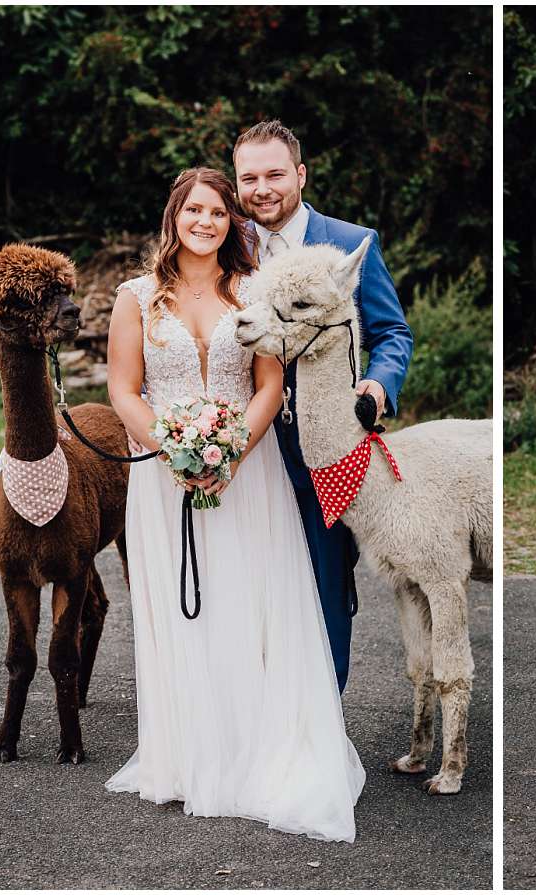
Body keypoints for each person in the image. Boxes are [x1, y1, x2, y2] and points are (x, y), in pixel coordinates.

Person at [104, 167, 365, 840]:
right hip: (162, 479)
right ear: (175, 216)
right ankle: (191, 754)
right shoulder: (135, 298)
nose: (205, 222)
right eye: (194, 210)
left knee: (251, 603)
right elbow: (124, 390)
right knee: (185, 612)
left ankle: (258, 748)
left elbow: (269, 384)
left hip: (247, 475)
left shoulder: (252, 291)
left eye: (218, 213)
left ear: (231, 224)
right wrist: (171, 449)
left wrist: (225, 455)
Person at [232, 120, 413, 693]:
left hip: (329, 442)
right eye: (249, 177)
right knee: (249, 577)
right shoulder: (221, 241)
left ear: (301, 174)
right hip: (245, 443)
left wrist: (379, 385)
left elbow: (392, 333)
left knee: (327, 579)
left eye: (275, 174)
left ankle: (323, 722)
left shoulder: (351, 240)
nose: (262, 188)